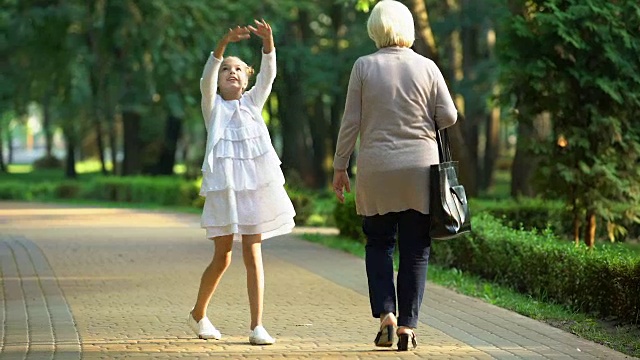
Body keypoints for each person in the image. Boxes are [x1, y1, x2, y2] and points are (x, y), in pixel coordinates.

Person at [332, 0, 458, 351]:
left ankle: (386, 315)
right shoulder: (427, 66)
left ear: (375, 28)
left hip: (376, 169)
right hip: (420, 169)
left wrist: (340, 166)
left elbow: (351, 122)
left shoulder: (363, 67)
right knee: (416, 250)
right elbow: (448, 115)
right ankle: (407, 328)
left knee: (379, 243)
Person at [188, 19, 296, 346]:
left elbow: (269, 76)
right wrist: (222, 45)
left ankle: (257, 326)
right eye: (226, 70)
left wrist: (268, 43)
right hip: (225, 189)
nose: (231, 72)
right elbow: (207, 77)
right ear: (218, 81)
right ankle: (198, 314)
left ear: (247, 78)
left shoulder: (253, 103)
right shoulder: (213, 108)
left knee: (253, 252)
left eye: (238, 69)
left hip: (253, 190)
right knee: (223, 257)